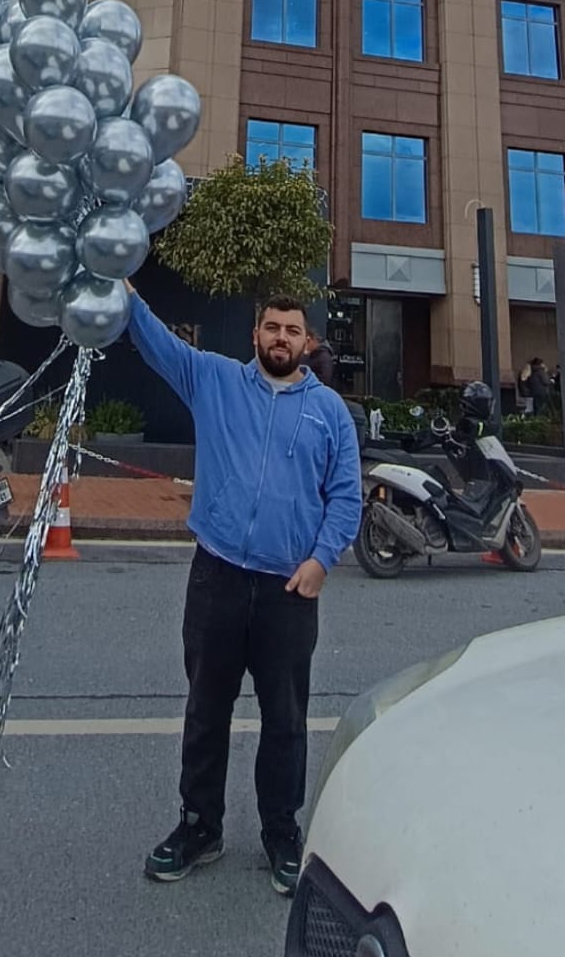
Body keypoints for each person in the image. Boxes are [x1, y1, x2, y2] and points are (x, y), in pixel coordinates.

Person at [126, 288, 362, 898]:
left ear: (308, 342)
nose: (281, 337)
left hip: (290, 588)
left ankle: (282, 832)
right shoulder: (216, 381)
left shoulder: (330, 412)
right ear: (255, 335)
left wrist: (321, 561)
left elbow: (346, 496)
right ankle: (199, 827)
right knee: (206, 709)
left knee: (284, 718)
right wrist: (123, 289)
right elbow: (156, 342)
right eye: (272, 327)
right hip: (218, 577)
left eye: (292, 330)